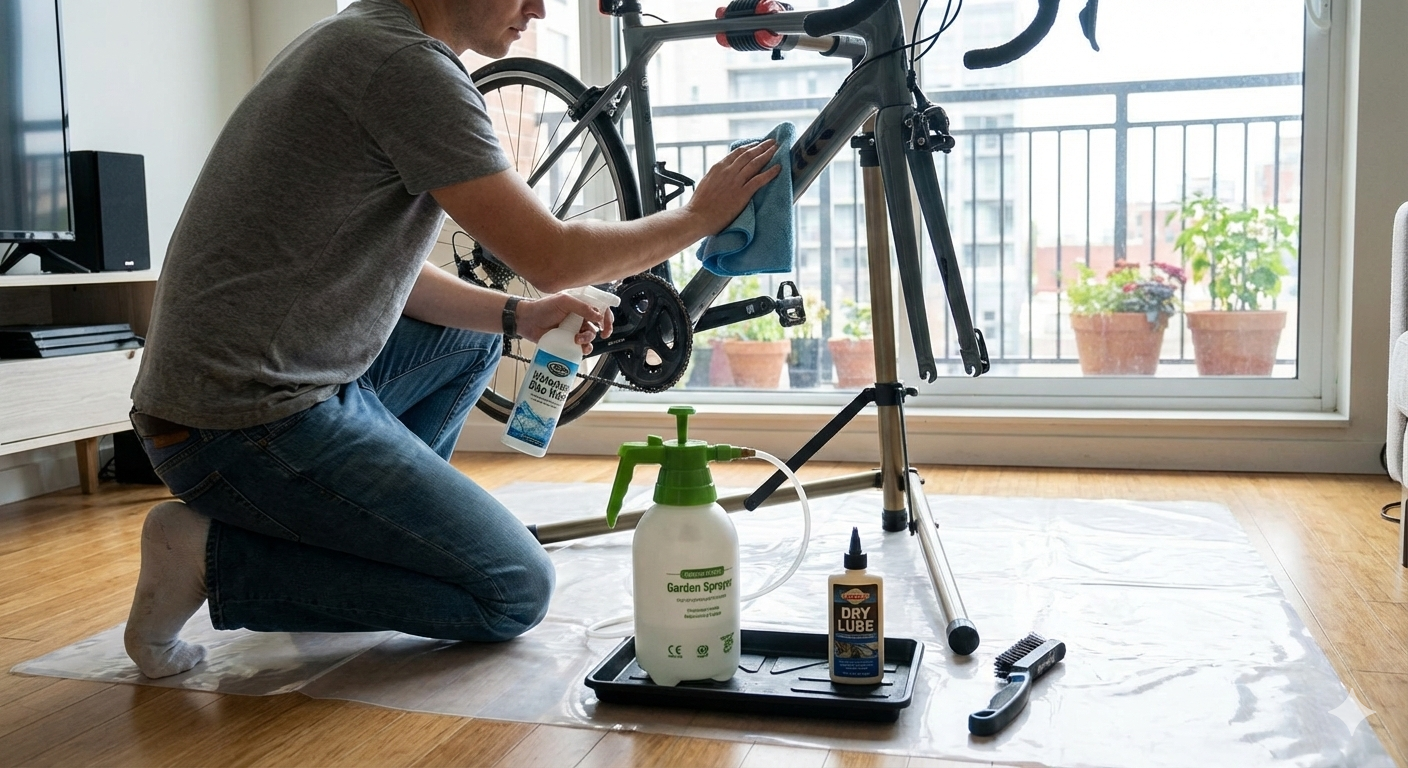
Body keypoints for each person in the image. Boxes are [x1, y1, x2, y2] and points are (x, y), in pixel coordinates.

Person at [123, 0, 780, 679]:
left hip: (244, 394)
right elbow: (552, 256)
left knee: (472, 340)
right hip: (239, 425)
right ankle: (206, 557)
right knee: (510, 591)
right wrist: (699, 216)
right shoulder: (407, 68)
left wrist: (517, 316)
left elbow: (388, 279)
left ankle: (357, 545)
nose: (540, 8)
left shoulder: (362, 38)